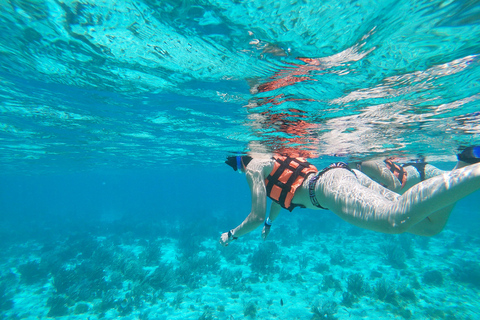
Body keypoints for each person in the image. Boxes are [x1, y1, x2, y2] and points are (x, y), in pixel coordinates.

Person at [219, 147, 480, 246]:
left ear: (244, 158)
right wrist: (269, 223)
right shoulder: (274, 157)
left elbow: (253, 216)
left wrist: (231, 234)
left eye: (239, 163)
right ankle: (466, 165)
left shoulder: (253, 168)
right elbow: (279, 198)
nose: (241, 167)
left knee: (395, 219)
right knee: (429, 227)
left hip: (328, 189)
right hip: (340, 178)